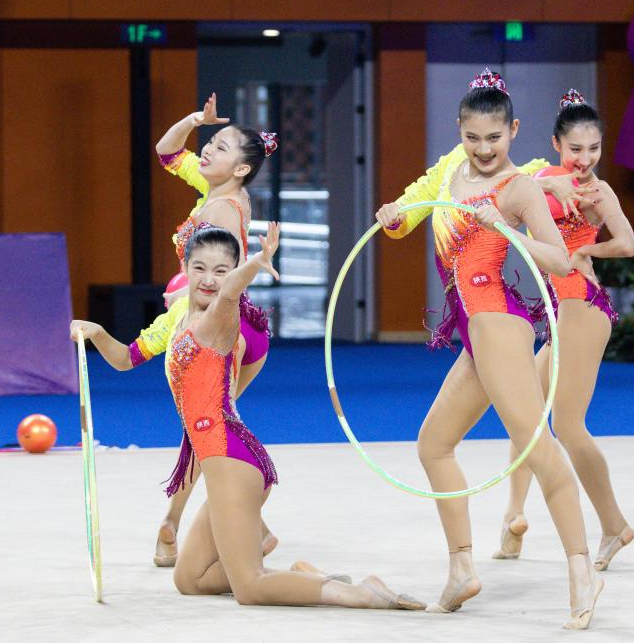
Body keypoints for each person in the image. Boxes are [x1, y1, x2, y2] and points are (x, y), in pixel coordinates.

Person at [71, 224, 424, 610]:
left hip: (231, 461)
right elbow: (125, 359)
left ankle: (361, 594)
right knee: (190, 580)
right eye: (200, 268)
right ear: (185, 268)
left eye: (221, 270)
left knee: (250, 588)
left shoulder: (220, 318)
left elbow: (229, 292)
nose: (209, 279)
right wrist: (96, 332)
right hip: (224, 459)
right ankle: (305, 576)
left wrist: (255, 263)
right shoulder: (179, 319)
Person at [375, 69, 603, 629]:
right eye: (472, 137)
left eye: (494, 138)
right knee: (434, 444)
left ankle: (581, 571)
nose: (483, 149)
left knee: (537, 448)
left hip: (497, 321)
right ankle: (461, 569)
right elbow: (406, 219)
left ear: (514, 131)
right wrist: (392, 217)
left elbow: (559, 260)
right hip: (475, 330)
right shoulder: (450, 174)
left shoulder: (519, 188)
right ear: (459, 130)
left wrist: (505, 228)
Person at [492, 90, 634, 574]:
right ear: (557, 144)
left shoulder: (597, 191)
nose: (585, 158)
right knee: (527, 413)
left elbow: (627, 243)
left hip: (582, 306)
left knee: (568, 426)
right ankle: (514, 517)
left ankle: (614, 524)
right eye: (576, 149)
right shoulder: (540, 182)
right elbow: (514, 196)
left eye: (594, 148)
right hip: (561, 311)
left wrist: (588, 251)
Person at [139, 94, 278, 567]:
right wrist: (195, 118)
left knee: (206, 428)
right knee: (206, 427)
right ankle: (252, 528)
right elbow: (165, 152)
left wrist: (183, 295)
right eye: (210, 142)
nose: (207, 149)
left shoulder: (225, 211)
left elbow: (226, 280)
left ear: (240, 169)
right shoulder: (212, 189)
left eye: (220, 147)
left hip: (226, 330)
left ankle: (177, 524)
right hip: (218, 324)